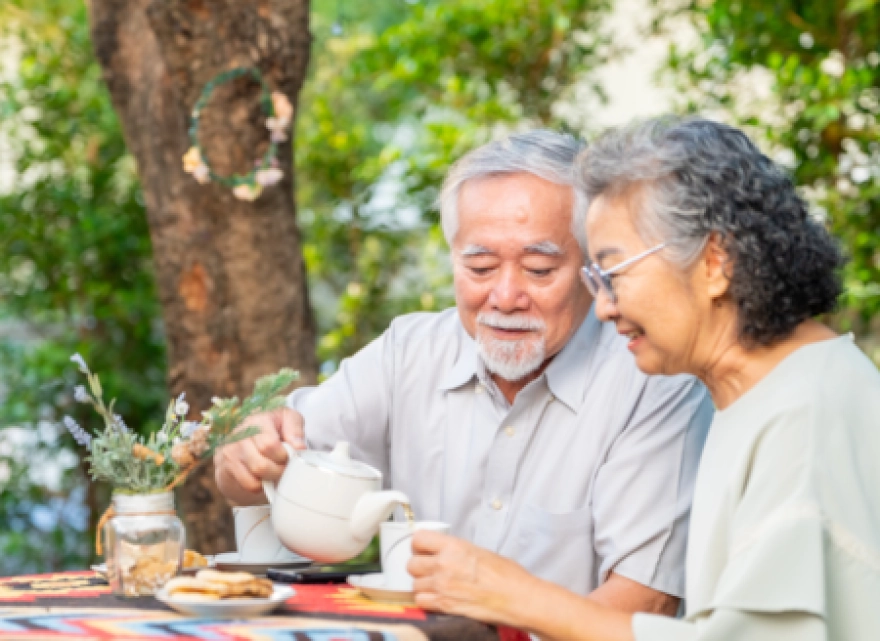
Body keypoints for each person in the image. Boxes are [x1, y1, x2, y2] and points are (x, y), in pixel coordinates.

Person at [406, 116, 880, 640]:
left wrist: (516, 595)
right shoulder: (754, 395)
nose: (603, 309)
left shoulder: (808, 413)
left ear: (714, 262)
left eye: (613, 273)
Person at [215, 130, 713, 613]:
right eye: (479, 269)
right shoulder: (407, 352)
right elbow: (252, 479)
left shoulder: (653, 382)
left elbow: (640, 608)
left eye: (539, 270)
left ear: (591, 267)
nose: (505, 297)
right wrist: (247, 453)